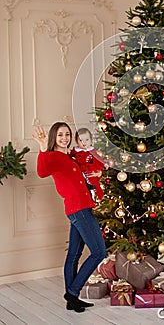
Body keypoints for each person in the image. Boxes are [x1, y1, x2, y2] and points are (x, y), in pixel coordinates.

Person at [33, 122, 106, 313]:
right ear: (53, 139)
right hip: (78, 209)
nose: (64, 138)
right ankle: (72, 292)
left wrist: (98, 173)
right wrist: (42, 148)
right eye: (60, 135)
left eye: (67, 134)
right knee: (99, 252)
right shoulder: (53, 157)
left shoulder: (71, 156)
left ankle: (71, 300)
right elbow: (42, 172)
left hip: (81, 208)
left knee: (74, 254)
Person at [70, 127, 105, 202]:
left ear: (90, 140)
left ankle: (96, 194)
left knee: (93, 182)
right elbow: (70, 157)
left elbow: (99, 162)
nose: (84, 142)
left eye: (87, 140)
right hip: (80, 171)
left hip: (90, 170)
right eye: (81, 140)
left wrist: (99, 172)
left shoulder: (92, 152)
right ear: (77, 141)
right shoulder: (75, 151)